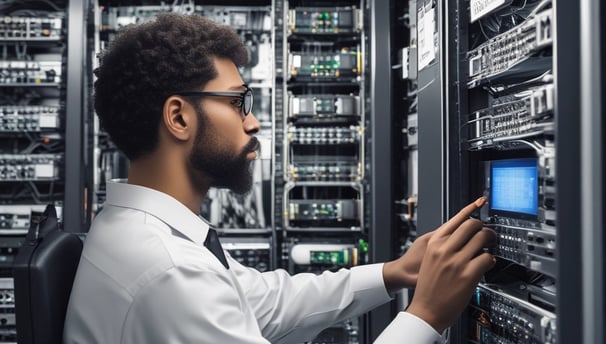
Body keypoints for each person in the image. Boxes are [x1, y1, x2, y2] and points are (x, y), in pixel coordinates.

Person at [63, 13, 496, 343]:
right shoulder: (168, 272)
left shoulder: (141, 234)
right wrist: (426, 315)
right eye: (237, 103)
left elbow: (263, 302)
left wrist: (394, 273)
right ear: (178, 116)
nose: (252, 124)